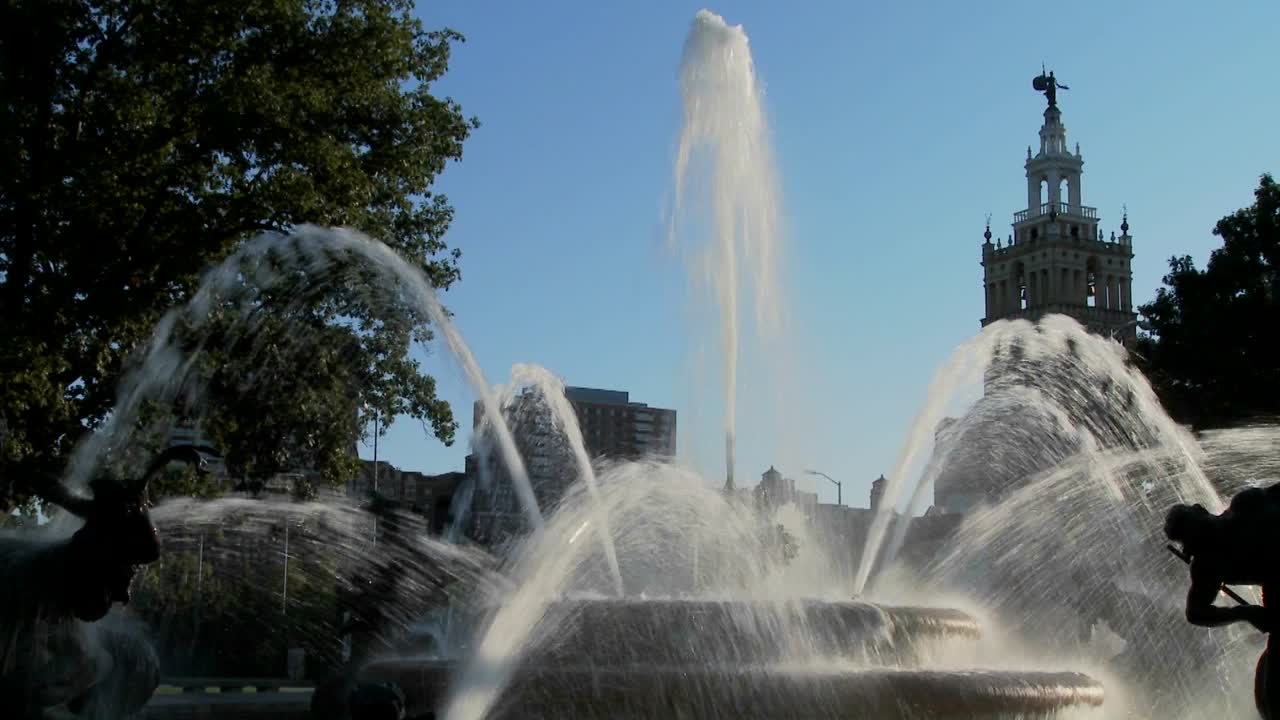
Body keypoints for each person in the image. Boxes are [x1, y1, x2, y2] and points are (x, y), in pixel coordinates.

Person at [1165, 486, 1280, 719]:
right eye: (1191, 540)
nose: (1199, 540)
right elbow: (1195, 612)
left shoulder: (1247, 504)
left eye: (1197, 529)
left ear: (1202, 510)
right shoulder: (1208, 564)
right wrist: (1245, 612)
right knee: (1272, 689)